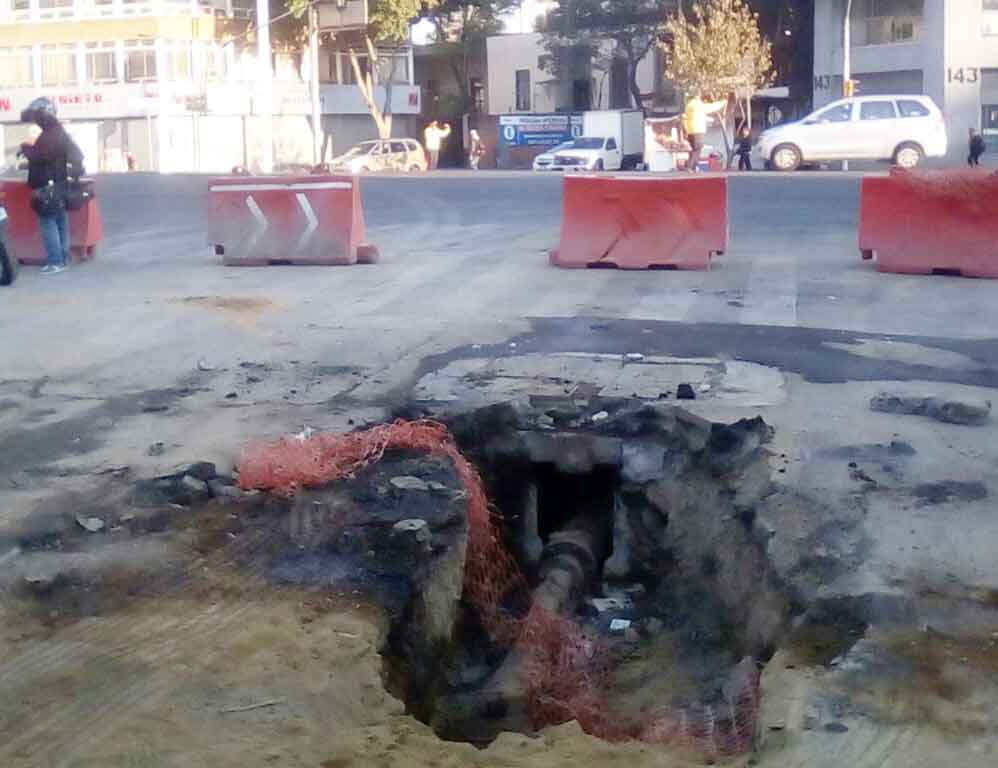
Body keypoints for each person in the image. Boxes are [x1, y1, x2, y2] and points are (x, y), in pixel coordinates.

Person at [18, 97, 83, 275]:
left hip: (47, 186)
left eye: (37, 117)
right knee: (60, 221)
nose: (36, 120)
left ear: (44, 115)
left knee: (48, 223)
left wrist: (25, 148)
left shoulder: (50, 134)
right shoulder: (58, 131)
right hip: (59, 183)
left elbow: (41, 157)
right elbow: (70, 155)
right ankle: (63, 257)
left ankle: (55, 261)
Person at [683, 93, 728, 173]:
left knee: (694, 150)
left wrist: (710, 120)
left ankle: (693, 168)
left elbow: (699, 116)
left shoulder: (688, 106)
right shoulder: (697, 104)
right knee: (697, 149)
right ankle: (690, 167)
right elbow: (710, 108)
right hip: (697, 130)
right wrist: (723, 102)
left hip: (690, 131)